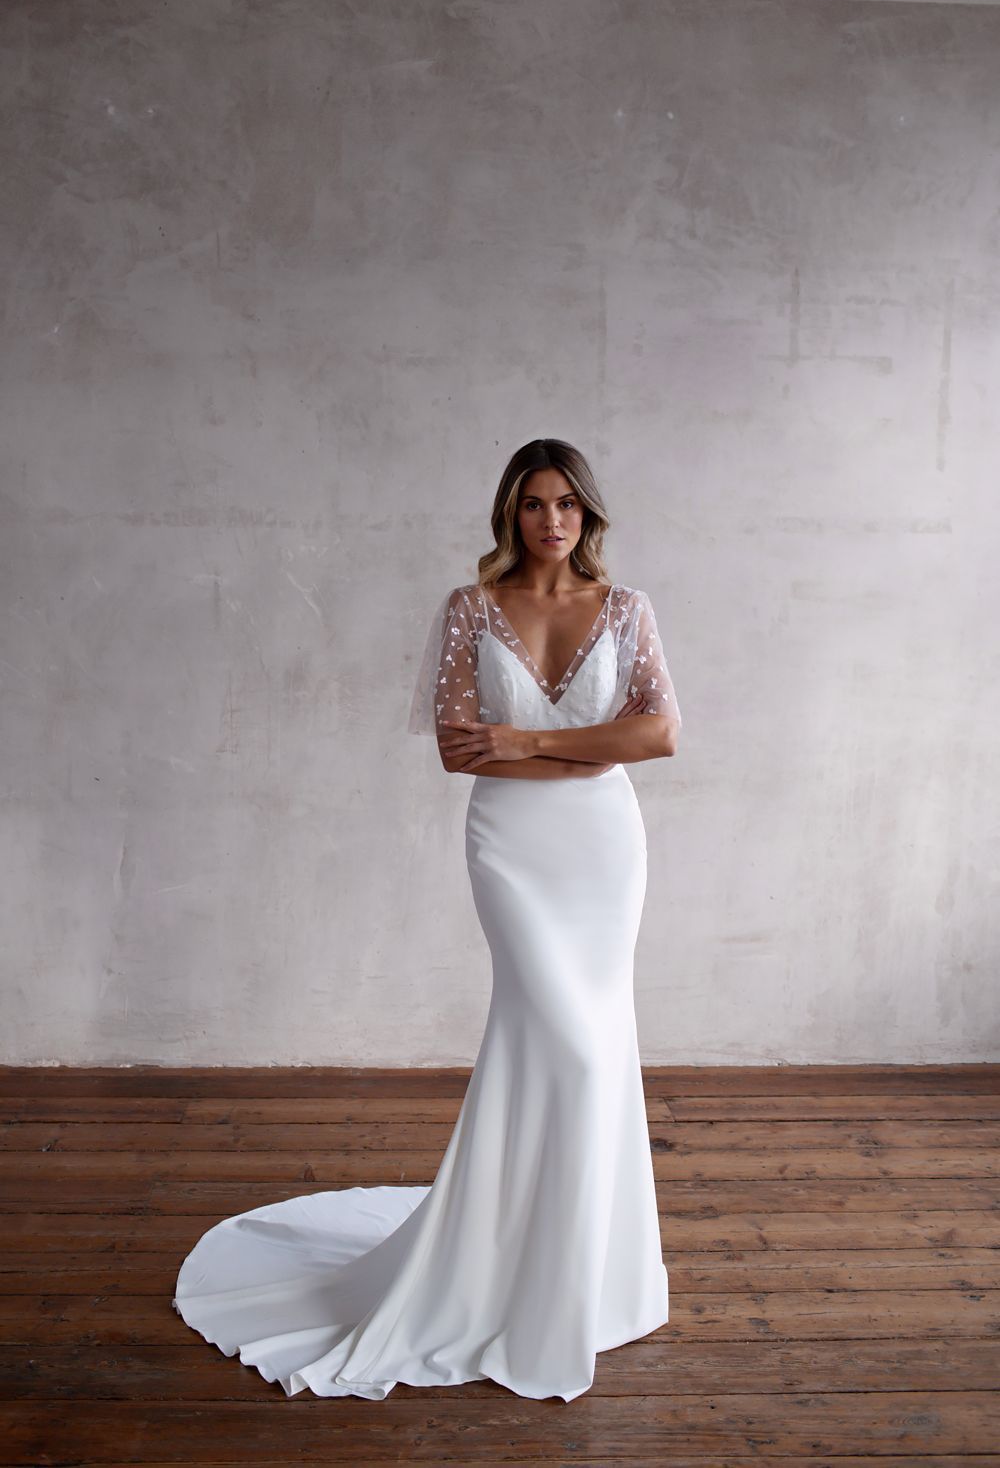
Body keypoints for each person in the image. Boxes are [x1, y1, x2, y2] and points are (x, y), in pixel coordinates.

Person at [172, 437, 682, 1402]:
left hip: (603, 852)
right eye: (533, 504)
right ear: (509, 514)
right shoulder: (469, 610)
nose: (551, 521)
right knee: (558, 1040)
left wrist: (527, 738)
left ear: (590, 514)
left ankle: (594, 1273)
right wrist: (581, 751)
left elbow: (659, 731)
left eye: (567, 503)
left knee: (595, 1041)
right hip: (512, 850)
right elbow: (458, 752)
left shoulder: (628, 609)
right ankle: (523, 1269)